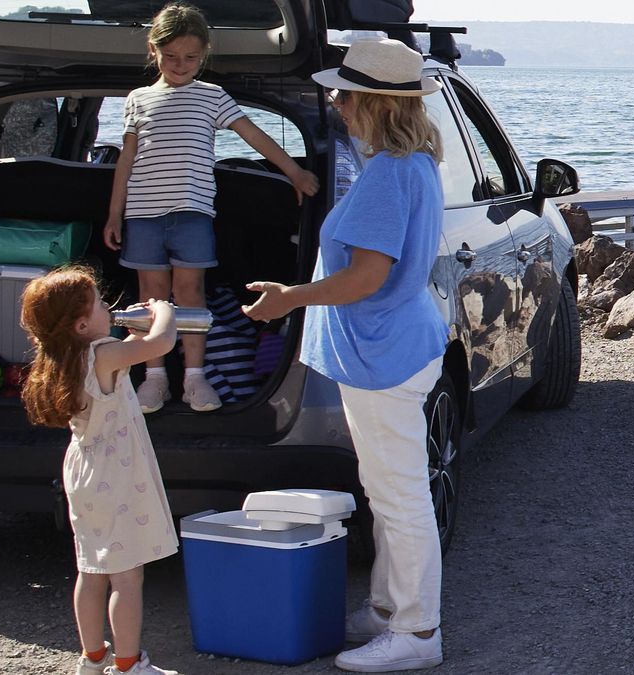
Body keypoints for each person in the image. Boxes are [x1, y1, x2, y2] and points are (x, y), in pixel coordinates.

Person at [241, 38, 447, 672]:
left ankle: (417, 632)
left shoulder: (388, 174)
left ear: (370, 103)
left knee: (400, 497)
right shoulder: (413, 163)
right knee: (390, 491)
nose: (335, 102)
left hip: (383, 354)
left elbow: (365, 277)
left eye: (342, 94)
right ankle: (388, 611)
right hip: (398, 345)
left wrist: (289, 299)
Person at [103, 1, 319, 413]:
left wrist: (294, 171)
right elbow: (125, 162)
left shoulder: (211, 96)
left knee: (190, 293)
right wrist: (115, 214)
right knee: (151, 297)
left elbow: (253, 135)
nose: (180, 65)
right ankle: (154, 378)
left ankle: (194, 378)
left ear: (204, 55)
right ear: (153, 50)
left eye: (190, 57)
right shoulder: (138, 99)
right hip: (142, 215)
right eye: (170, 56)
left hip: (193, 213)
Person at [19, 266, 181, 675]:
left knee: (91, 570)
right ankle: (128, 665)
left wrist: (137, 330)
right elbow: (162, 342)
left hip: (84, 471)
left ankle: (92, 659)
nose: (109, 309)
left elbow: (131, 350)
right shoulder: (102, 354)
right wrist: (164, 311)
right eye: (101, 305)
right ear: (81, 325)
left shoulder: (65, 357)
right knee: (126, 578)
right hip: (115, 474)